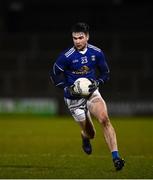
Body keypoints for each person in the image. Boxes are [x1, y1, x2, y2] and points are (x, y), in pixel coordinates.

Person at [49, 22, 125, 171]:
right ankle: (84, 136)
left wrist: (98, 82)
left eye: (80, 37)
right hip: (73, 99)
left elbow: (105, 73)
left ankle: (116, 157)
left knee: (104, 118)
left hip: (91, 92)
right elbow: (53, 75)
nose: (77, 41)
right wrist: (66, 88)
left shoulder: (96, 53)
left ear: (87, 37)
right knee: (91, 134)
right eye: (74, 38)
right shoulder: (66, 57)